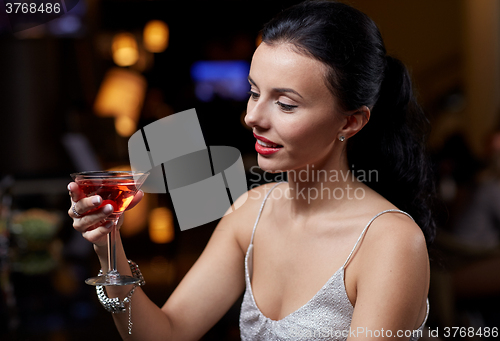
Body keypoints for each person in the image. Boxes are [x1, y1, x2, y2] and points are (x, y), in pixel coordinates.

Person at [68, 1, 436, 340]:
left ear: (350, 122)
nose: (252, 117)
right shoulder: (249, 213)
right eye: (254, 92)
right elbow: (165, 332)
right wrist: (109, 246)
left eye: (286, 104)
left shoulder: (390, 242)